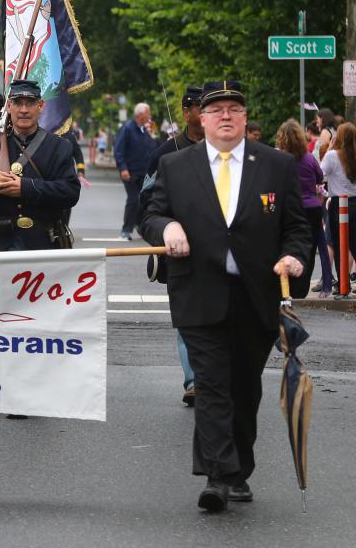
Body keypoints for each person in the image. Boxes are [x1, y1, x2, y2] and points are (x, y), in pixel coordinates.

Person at [140, 80, 310, 513]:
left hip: (255, 295)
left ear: (245, 117)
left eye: (235, 109)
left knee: (243, 387)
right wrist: (168, 229)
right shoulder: (176, 165)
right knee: (212, 384)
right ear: (202, 118)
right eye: (216, 111)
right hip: (199, 291)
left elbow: (296, 228)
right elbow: (153, 215)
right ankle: (219, 477)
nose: (226, 117)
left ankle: (238, 470)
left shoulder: (275, 165)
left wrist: (294, 257)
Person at [142, 85, 204, 407]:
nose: (206, 113)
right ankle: (195, 380)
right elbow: (146, 205)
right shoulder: (166, 153)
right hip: (181, 254)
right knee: (187, 319)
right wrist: (166, 229)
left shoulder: (235, 154)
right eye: (200, 107)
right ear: (186, 112)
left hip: (225, 254)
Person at [0, 79, 80, 253]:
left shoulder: (59, 147)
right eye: (17, 103)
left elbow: (71, 192)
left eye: (30, 103)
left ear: (41, 105)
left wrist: (26, 187)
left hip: (42, 245)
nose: (23, 110)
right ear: (8, 106)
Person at [275, 119, 333, 298]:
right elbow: (320, 177)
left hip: (291, 208)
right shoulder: (308, 157)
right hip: (313, 207)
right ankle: (326, 285)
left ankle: (292, 286)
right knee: (319, 245)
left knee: (290, 246)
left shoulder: (280, 160)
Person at [320, 121, 356, 292]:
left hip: (338, 203)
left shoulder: (333, 156)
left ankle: (343, 285)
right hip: (355, 202)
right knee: (354, 244)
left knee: (339, 243)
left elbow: (320, 174)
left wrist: (329, 148)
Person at [114, 102, 159, 239]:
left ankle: (139, 225)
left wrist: (154, 136)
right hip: (130, 171)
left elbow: (154, 149)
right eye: (148, 113)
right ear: (140, 115)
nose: (149, 116)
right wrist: (123, 168)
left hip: (143, 172)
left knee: (144, 200)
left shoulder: (145, 130)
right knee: (133, 199)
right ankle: (126, 229)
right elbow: (118, 150)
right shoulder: (127, 128)